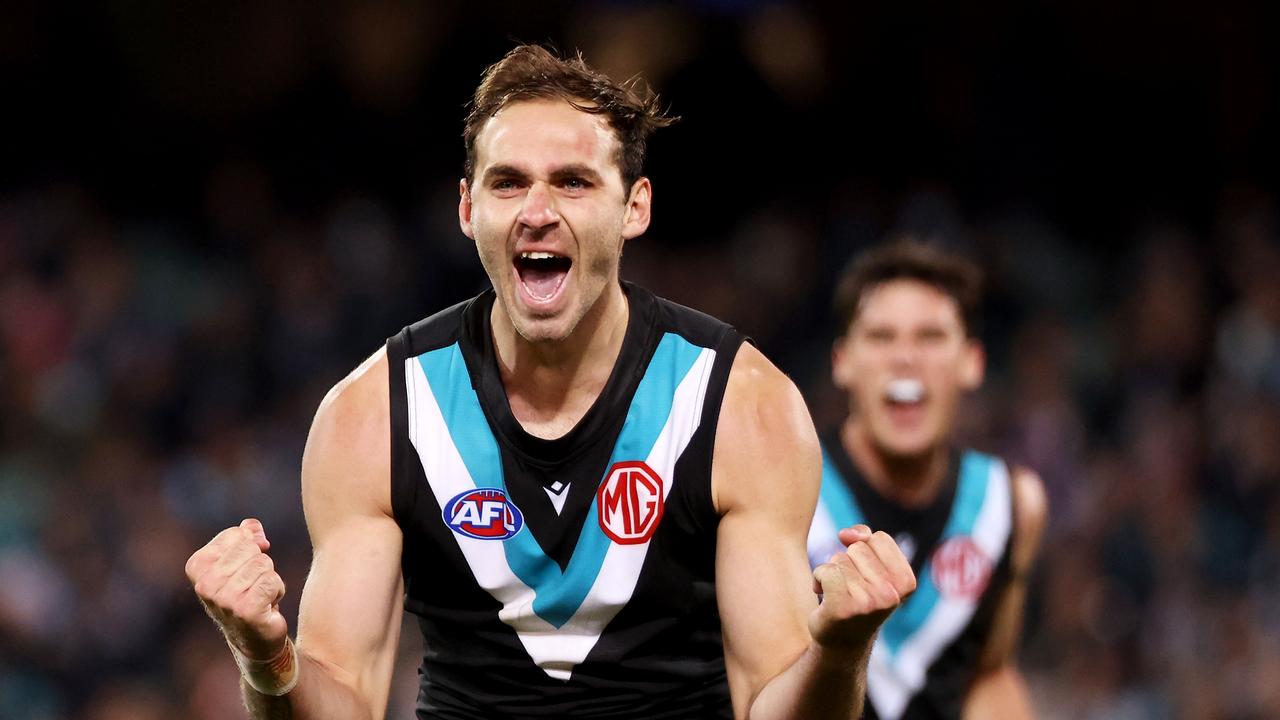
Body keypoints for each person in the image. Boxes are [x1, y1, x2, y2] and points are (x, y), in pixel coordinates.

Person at [184, 44, 915, 720]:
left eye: (572, 182)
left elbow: (772, 706)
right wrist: (266, 658)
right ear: (469, 210)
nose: (537, 213)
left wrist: (841, 650)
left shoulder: (738, 407)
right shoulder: (375, 415)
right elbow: (343, 700)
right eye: (508, 184)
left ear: (635, 207)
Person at [807, 241, 1048, 720]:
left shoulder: (1012, 504)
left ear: (972, 361)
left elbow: (990, 674)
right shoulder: (790, 488)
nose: (905, 358)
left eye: (931, 336)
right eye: (880, 336)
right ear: (842, 361)